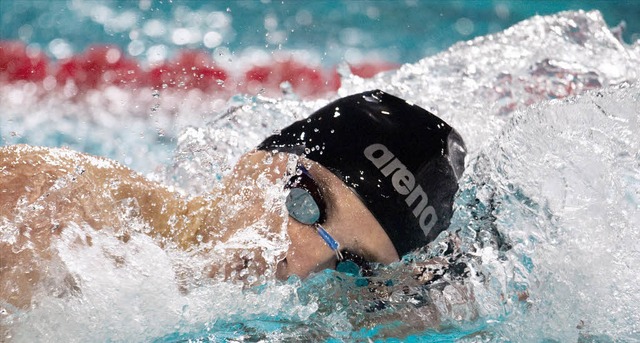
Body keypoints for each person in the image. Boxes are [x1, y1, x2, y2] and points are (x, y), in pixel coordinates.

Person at [0, 90, 466, 319]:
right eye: (305, 204)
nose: (301, 265)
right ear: (258, 161)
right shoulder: (46, 213)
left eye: (350, 265)